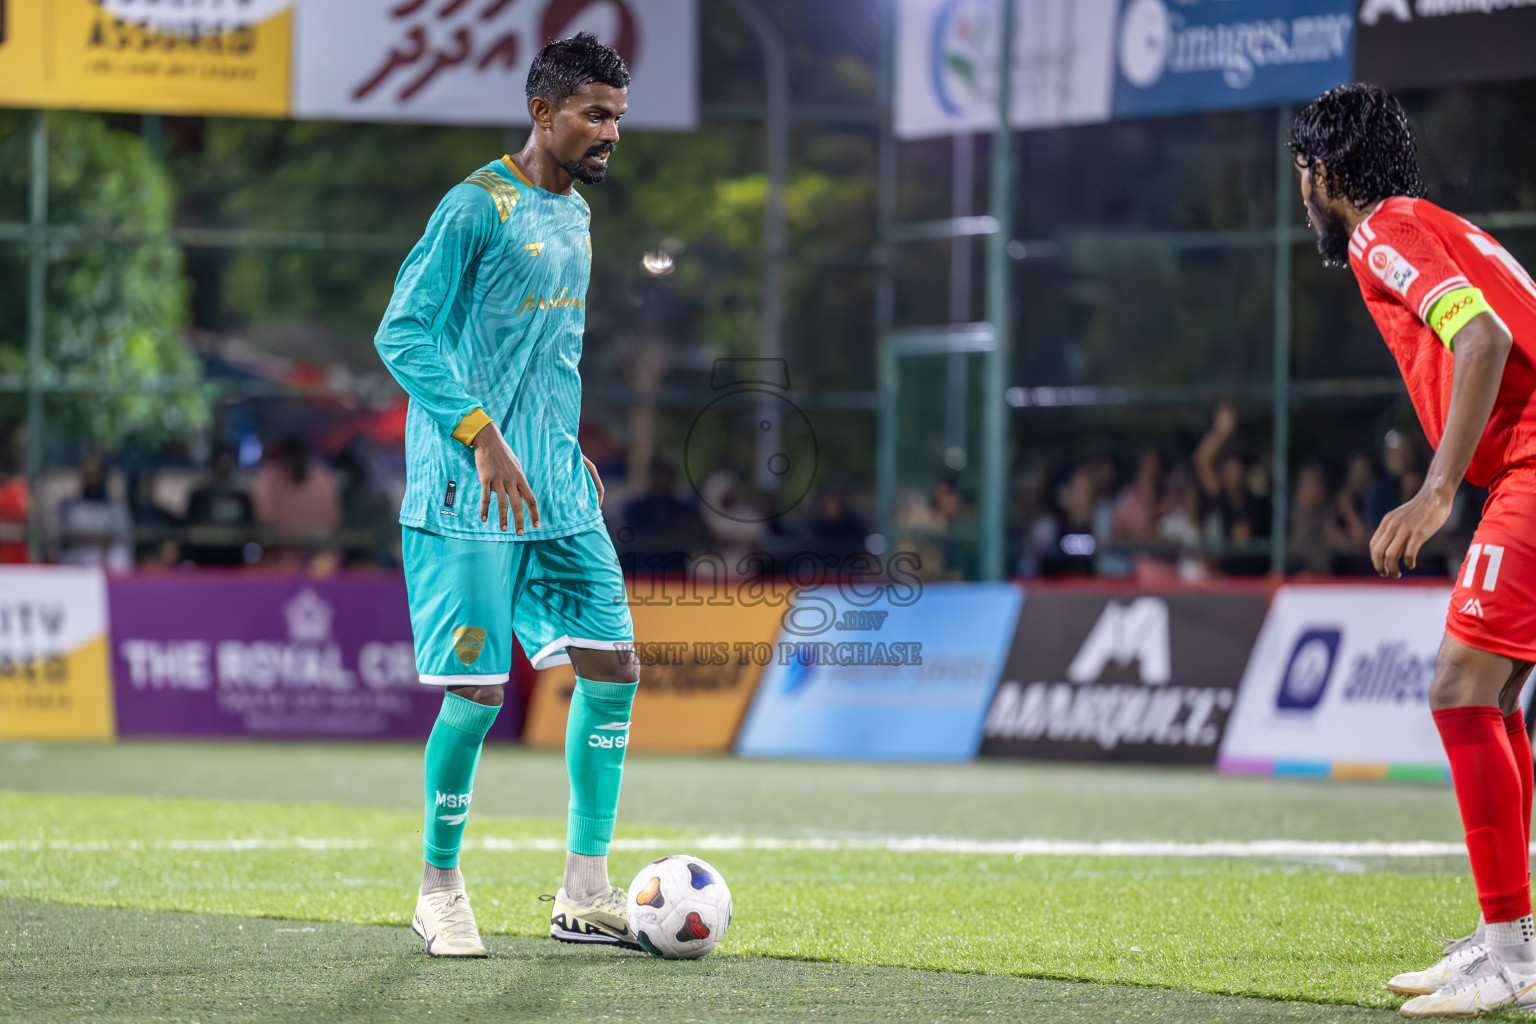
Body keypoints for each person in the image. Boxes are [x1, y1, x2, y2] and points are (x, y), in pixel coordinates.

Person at [373, 33, 638, 959]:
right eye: (594, 114)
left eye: (617, 116)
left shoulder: (579, 218)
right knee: (481, 692)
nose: (610, 132)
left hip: (556, 489)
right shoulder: (472, 209)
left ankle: (585, 890)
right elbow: (402, 336)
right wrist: (481, 436)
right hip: (467, 488)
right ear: (543, 113)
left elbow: (549, 359)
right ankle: (438, 886)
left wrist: (563, 450)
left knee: (613, 667)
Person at [1294, 84, 1536, 1016]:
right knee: (1500, 695)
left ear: (1326, 174)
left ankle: (1512, 954)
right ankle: (1507, 933)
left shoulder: (1377, 231)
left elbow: (1481, 339)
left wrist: (1437, 491)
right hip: (1521, 466)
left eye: (1303, 178)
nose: (1303, 198)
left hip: (1532, 465)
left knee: (1457, 688)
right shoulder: (1435, 219)